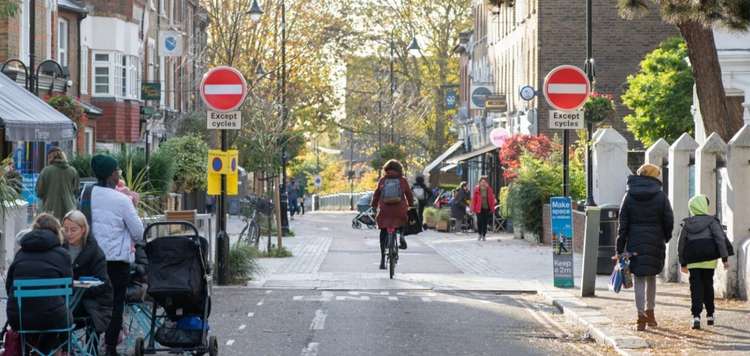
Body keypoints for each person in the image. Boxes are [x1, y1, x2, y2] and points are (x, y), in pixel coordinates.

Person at [81, 154, 144, 356]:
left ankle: (91, 345)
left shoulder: (85, 194)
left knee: (92, 301)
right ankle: (109, 348)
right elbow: (138, 232)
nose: (119, 174)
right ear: (111, 174)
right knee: (116, 303)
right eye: (118, 170)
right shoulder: (122, 200)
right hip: (116, 261)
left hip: (90, 260)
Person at [615, 163, 674, 331]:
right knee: (651, 277)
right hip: (655, 241)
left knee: (639, 277)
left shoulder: (629, 195)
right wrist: (666, 236)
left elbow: (622, 224)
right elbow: (668, 219)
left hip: (634, 242)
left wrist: (619, 248)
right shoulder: (661, 195)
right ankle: (651, 314)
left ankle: (640, 317)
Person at [5, 213, 73, 354]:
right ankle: (50, 351)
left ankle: (32, 351)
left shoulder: (21, 254)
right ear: (57, 231)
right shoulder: (63, 254)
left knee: (34, 314)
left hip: (19, 319)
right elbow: (68, 288)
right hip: (53, 318)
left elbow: (9, 286)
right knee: (57, 315)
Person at [677, 195, 730, 330]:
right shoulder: (712, 222)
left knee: (695, 288)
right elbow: (720, 239)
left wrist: (683, 263)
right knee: (708, 285)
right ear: (704, 206)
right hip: (709, 261)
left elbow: (681, 244)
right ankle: (710, 315)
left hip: (693, 261)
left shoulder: (687, 224)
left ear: (692, 208)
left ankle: (696, 316)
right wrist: (724, 258)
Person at [62, 210, 113, 336]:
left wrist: (80, 288)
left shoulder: (95, 252)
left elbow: (103, 283)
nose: (69, 233)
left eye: (73, 230)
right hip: (66, 301)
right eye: (65, 229)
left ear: (83, 229)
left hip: (93, 301)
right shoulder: (60, 248)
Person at [371, 159, 414, 270]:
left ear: (386, 169)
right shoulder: (402, 180)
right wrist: (411, 205)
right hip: (399, 210)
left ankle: (382, 260)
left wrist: (374, 206)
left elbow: (376, 195)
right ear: (399, 169)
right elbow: (409, 194)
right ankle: (402, 235)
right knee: (403, 220)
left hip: (385, 211)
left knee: (383, 232)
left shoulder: (382, 180)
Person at [36, 147, 79, 221]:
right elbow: (76, 191)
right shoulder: (73, 171)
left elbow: (39, 192)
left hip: (50, 212)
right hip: (70, 211)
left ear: (50, 157)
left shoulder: (46, 171)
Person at [471, 176, 496, 241]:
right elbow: (474, 199)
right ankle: (479, 234)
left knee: (485, 222)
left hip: (486, 208)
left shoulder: (489, 189)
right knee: (479, 222)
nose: (483, 183)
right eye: (482, 182)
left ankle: (484, 235)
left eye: (484, 182)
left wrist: (492, 208)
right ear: (479, 182)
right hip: (478, 208)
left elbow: (491, 199)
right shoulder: (476, 189)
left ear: (486, 183)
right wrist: (473, 209)